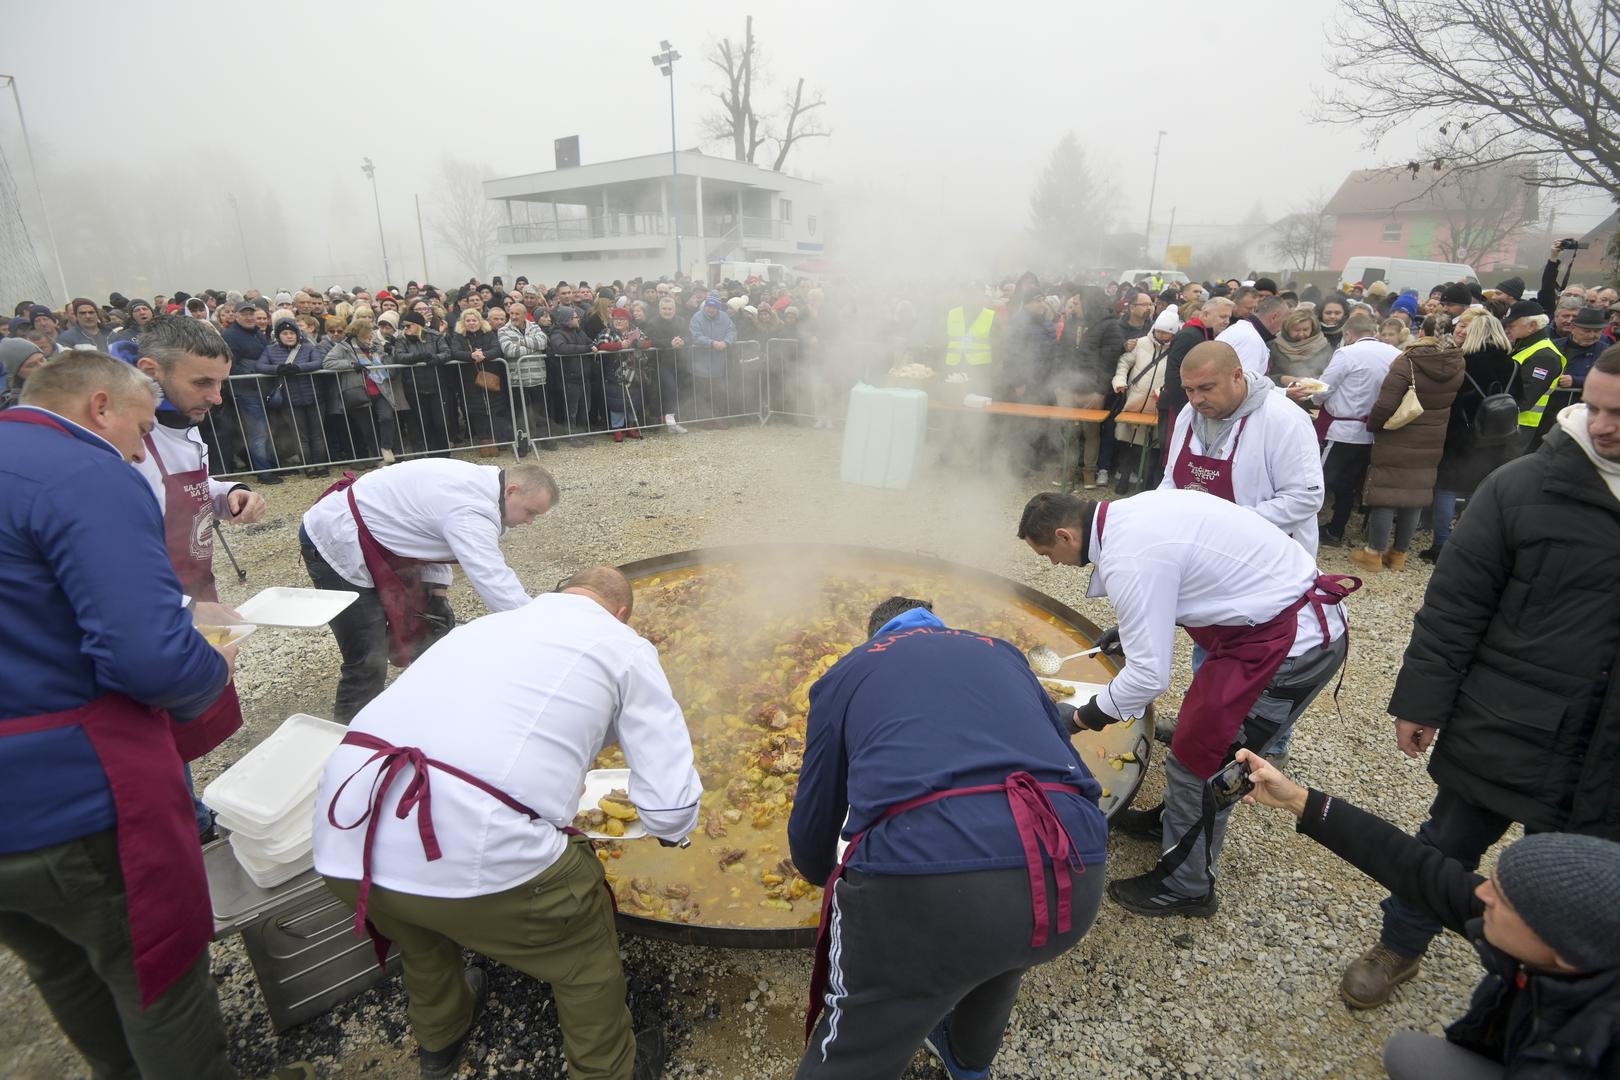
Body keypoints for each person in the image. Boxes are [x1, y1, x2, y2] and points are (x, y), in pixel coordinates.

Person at [0, 352, 312, 1080]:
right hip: (73, 796)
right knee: (157, 977)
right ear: (100, 406)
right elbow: (147, 660)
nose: (144, 451)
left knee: (64, 970)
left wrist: (174, 605)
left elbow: (36, 603)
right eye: (140, 430)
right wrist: (212, 660)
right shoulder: (81, 471)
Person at [313, 566, 696, 1080]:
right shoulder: (623, 645)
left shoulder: (478, 629)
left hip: (344, 838)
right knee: (585, 963)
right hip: (480, 849)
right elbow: (669, 810)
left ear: (554, 593)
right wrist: (671, 832)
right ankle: (608, 1070)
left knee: (422, 937)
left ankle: (440, 1043)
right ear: (623, 613)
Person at [1337, 345, 1620, 1010]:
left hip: (1607, 748)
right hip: (1507, 718)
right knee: (1446, 845)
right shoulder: (1522, 487)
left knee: (1582, 883)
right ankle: (1399, 947)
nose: (1604, 425)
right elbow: (1455, 605)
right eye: (1597, 407)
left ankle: (1552, 994)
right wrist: (1420, 702)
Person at [788, 595, 1108, 1079]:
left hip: (925, 884)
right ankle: (966, 1064)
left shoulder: (849, 671)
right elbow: (1072, 766)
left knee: (857, 1045)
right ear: (939, 626)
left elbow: (815, 822)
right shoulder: (1003, 652)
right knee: (1001, 956)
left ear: (877, 635)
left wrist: (820, 874)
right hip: (1072, 867)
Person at [1017, 490, 1353, 916]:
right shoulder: (1130, 512)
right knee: (1196, 747)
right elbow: (1191, 572)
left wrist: (1081, 717)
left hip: (1289, 647)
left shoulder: (1128, 558)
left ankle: (1188, 885)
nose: (1051, 564)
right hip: (1262, 624)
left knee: (1205, 762)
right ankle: (1171, 822)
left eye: (1047, 553)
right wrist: (1133, 627)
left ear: (1065, 536)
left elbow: (1148, 678)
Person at [1236, 751, 1620, 1079]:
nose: (1480, 892)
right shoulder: (1570, 947)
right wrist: (1298, 800)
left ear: (1565, 950)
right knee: (1409, 1054)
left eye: (1501, 897)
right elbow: (1416, 867)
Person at [300, 458, 558, 722]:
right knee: (368, 654)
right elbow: (495, 581)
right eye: (531, 512)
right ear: (511, 490)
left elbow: (431, 532)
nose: (530, 522)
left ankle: (426, 714)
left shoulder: (484, 485)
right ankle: (348, 738)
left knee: (428, 631)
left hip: (377, 532)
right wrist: (541, 635)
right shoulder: (471, 509)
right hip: (336, 539)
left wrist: (437, 593)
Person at [1159, 340, 1325, 553]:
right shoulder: (1188, 415)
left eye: (1206, 388)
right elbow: (1171, 479)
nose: (1196, 399)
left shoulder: (1285, 420)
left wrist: (1223, 525)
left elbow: (1304, 498)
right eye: (1189, 390)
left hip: (1266, 556)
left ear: (1237, 376)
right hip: (1200, 549)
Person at [1349, 314, 1464, 572]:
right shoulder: (1457, 362)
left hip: (1400, 433)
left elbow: (1386, 404)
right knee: (1414, 495)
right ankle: (1399, 554)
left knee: (1386, 494)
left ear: (1420, 331)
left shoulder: (1409, 362)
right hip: (1433, 436)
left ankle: (1373, 552)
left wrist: (1373, 425)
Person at [1420, 310, 1518, 562]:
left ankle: (1441, 544)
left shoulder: (1463, 363)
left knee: (1447, 488)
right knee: (1480, 490)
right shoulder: (1514, 365)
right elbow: (1522, 400)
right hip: (1498, 437)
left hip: (1461, 436)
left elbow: (1451, 400)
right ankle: (1470, 542)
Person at [1303, 312, 1400, 546]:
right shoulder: (1395, 354)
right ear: (1373, 332)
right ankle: (1336, 529)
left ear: (1348, 334)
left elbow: (1324, 388)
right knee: (1349, 485)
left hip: (1342, 431)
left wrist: (1313, 398)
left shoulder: (1347, 353)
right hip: (1373, 432)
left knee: (1321, 480)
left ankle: (1306, 530)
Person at [1108, 306, 1178, 492]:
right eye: (1159, 331)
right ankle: (1123, 479)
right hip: (1133, 403)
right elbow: (1124, 364)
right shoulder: (1140, 343)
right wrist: (1119, 382)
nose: (1161, 335)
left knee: (1152, 447)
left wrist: (1162, 391)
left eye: (1166, 333)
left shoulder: (1176, 351)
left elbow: (1175, 377)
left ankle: (1145, 484)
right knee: (1128, 444)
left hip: (1156, 406)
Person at [324, 314, 403, 466]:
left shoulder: (375, 346)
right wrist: (351, 364)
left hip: (380, 389)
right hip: (358, 392)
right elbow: (328, 363)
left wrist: (388, 352)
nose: (369, 338)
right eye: (366, 336)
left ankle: (386, 447)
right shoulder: (344, 347)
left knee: (387, 418)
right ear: (358, 335)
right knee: (367, 429)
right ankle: (379, 458)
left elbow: (387, 363)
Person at [259, 312, 329, 478]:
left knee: (317, 434)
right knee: (300, 435)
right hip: (289, 399)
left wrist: (299, 368)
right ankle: (309, 467)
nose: (289, 336)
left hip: (314, 395)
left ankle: (321, 464)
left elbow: (318, 362)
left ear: (297, 334)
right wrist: (277, 369)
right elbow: (260, 366)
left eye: (292, 333)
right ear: (279, 335)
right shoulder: (270, 350)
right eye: (285, 333)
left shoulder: (308, 347)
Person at [220, 300, 281, 483]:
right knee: (258, 432)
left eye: (251, 314)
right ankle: (263, 472)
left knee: (267, 430)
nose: (249, 317)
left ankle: (271, 465)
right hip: (246, 390)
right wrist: (255, 372)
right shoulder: (230, 336)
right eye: (244, 314)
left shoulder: (257, 333)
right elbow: (230, 364)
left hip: (262, 388)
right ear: (236, 316)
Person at [1503, 299, 1567, 453]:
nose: (1507, 329)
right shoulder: (1525, 346)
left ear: (1532, 326)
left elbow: (1524, 398)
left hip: (1518, 426)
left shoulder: (1545, 356)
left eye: (1511, 325)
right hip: (1510, 424)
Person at [497, 298, 554, 452]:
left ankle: (545, 439)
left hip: (538, 377)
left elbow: (542, 343)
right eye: (511, 313)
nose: (514, 316)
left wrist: (520, 342)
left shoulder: (534, 326)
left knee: (541, 411)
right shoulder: (503, 330)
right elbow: (509, 350)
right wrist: (532, 348)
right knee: (520, 414)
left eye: (517, 313)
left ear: (524, 315)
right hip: (517, 379)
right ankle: (523, 443)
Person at [689, 292, 737, 425]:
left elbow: (732, 331)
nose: (711, 309)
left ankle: (720, 419)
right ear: (705, 306)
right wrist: (711, 343)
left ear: (718, 308)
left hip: (718, 364)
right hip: (700, 364)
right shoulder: (696, 317)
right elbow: (695, 336)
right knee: (703, 394)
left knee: (719, 393)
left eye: (714, 307)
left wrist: (726, 342)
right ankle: (705, 420)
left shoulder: (725, 317)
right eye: (709, 306)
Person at [1216, 294, 1287, 377]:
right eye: (1284, 321)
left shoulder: (1242, 329)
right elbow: (1244, 383)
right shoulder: (1251, 339)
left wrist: (1283, 390)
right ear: (1274, 317)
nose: (1283, 327)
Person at [1268, 310, 1333, 383]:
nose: (1301, 334)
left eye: (1305, 330)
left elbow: (1330, 374)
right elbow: (1264, 375)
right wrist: (1282, 379)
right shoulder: (1274, 345)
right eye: (1297, 330)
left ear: (1313, 329)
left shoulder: (1323, 346)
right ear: (1287, 329)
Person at [0, 337, 46, 409]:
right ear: (17, 372)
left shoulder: (62, 378)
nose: (42, 366)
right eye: (31, 365)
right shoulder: (20, 405)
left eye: (42, 360)